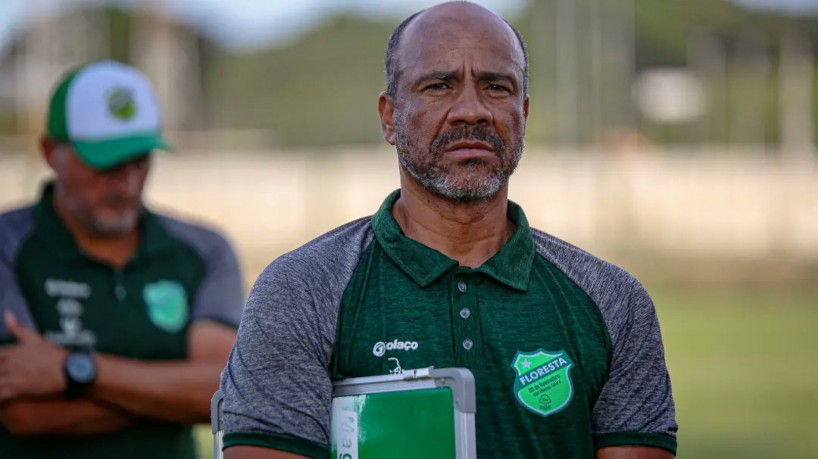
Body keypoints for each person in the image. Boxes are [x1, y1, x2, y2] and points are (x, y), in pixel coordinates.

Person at [219, 2, 677, 458]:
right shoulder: (301, 290)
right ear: (389, 117)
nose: (471, 111)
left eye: (496, 87)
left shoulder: (614, 301)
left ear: (524, 113)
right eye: (440, 85)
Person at [0, 60, 244, 458]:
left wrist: (72, 370)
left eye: (140, 161)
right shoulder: (7, 245)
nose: (127, 183)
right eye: (107, 165)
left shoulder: (203, 250)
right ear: (50, 152)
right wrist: (169, 394)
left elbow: (221, 395)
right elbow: (24, 411)